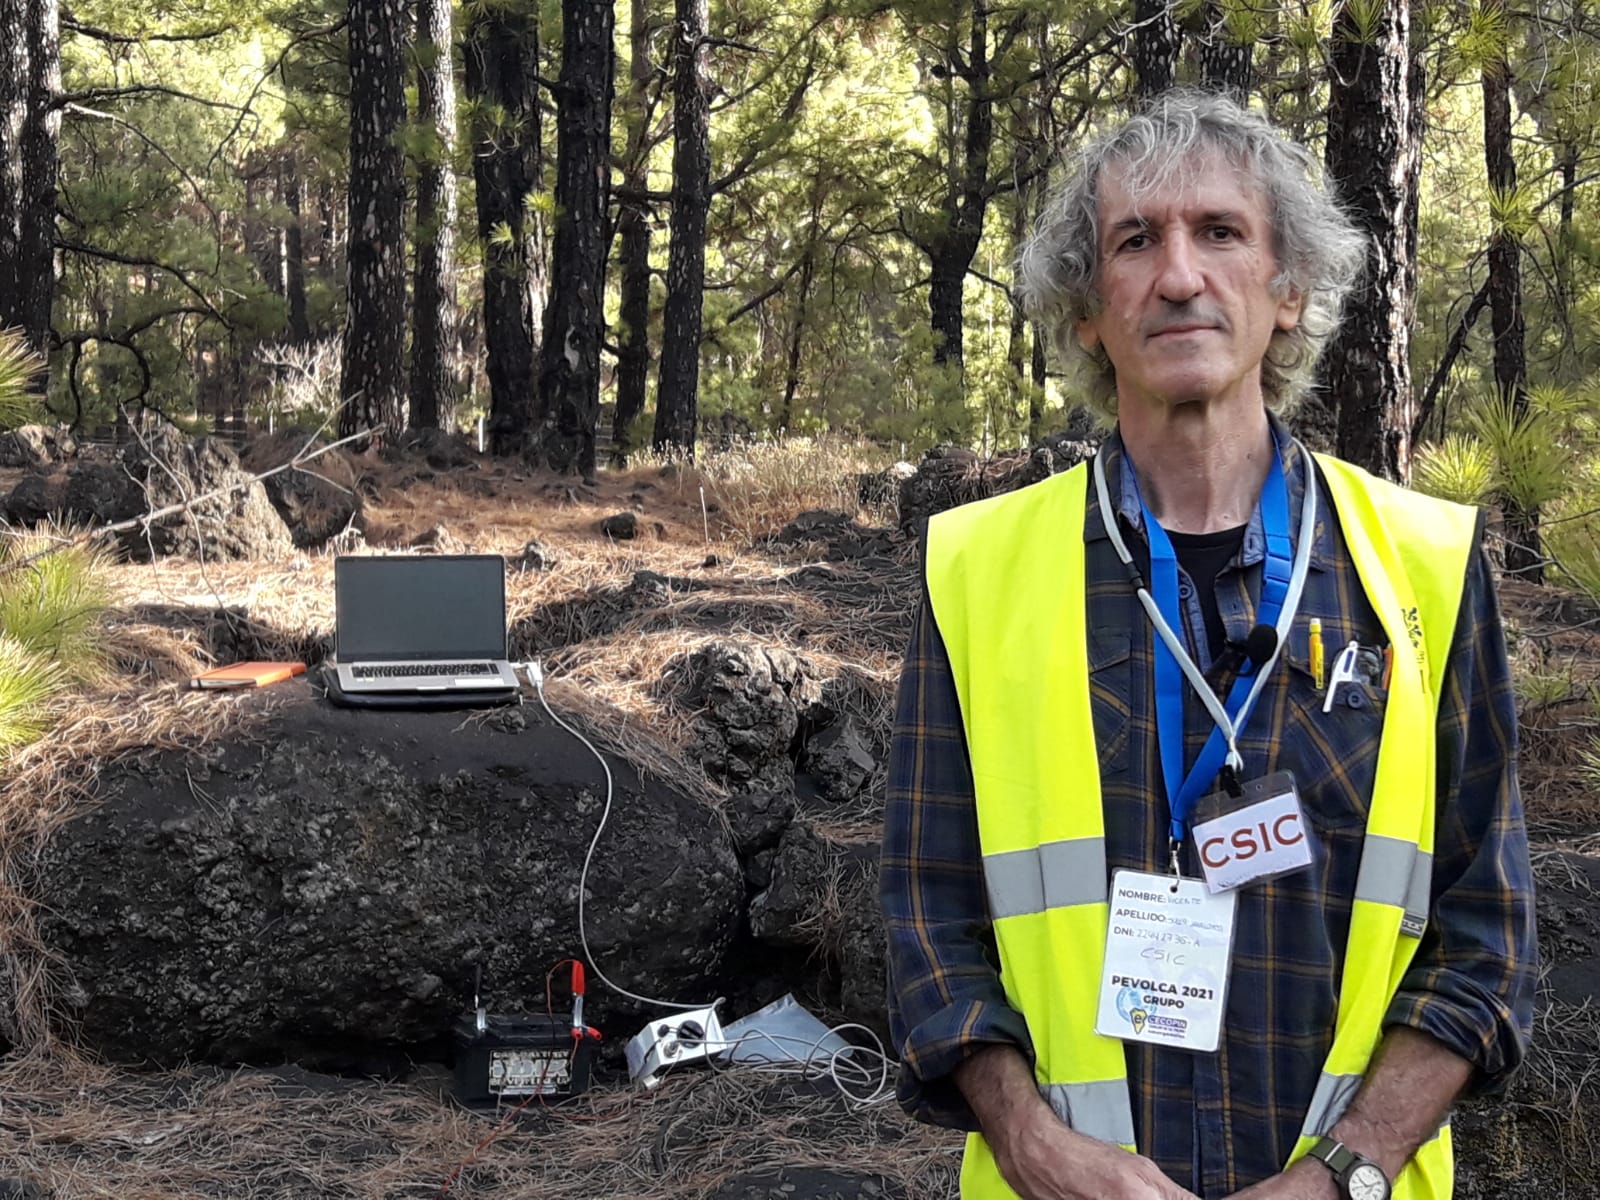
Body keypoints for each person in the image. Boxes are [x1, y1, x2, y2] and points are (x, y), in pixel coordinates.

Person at [880, 90, 1536, 1200]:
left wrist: (1344, 1173)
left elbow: (1487, 934)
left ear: (1287, 291)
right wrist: (1040, 1153)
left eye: (1220, 233)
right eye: (1135, 241)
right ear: (1088, 312)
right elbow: (927, 920)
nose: (1179, 276)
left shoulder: (1420, 563)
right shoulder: (976, 574)